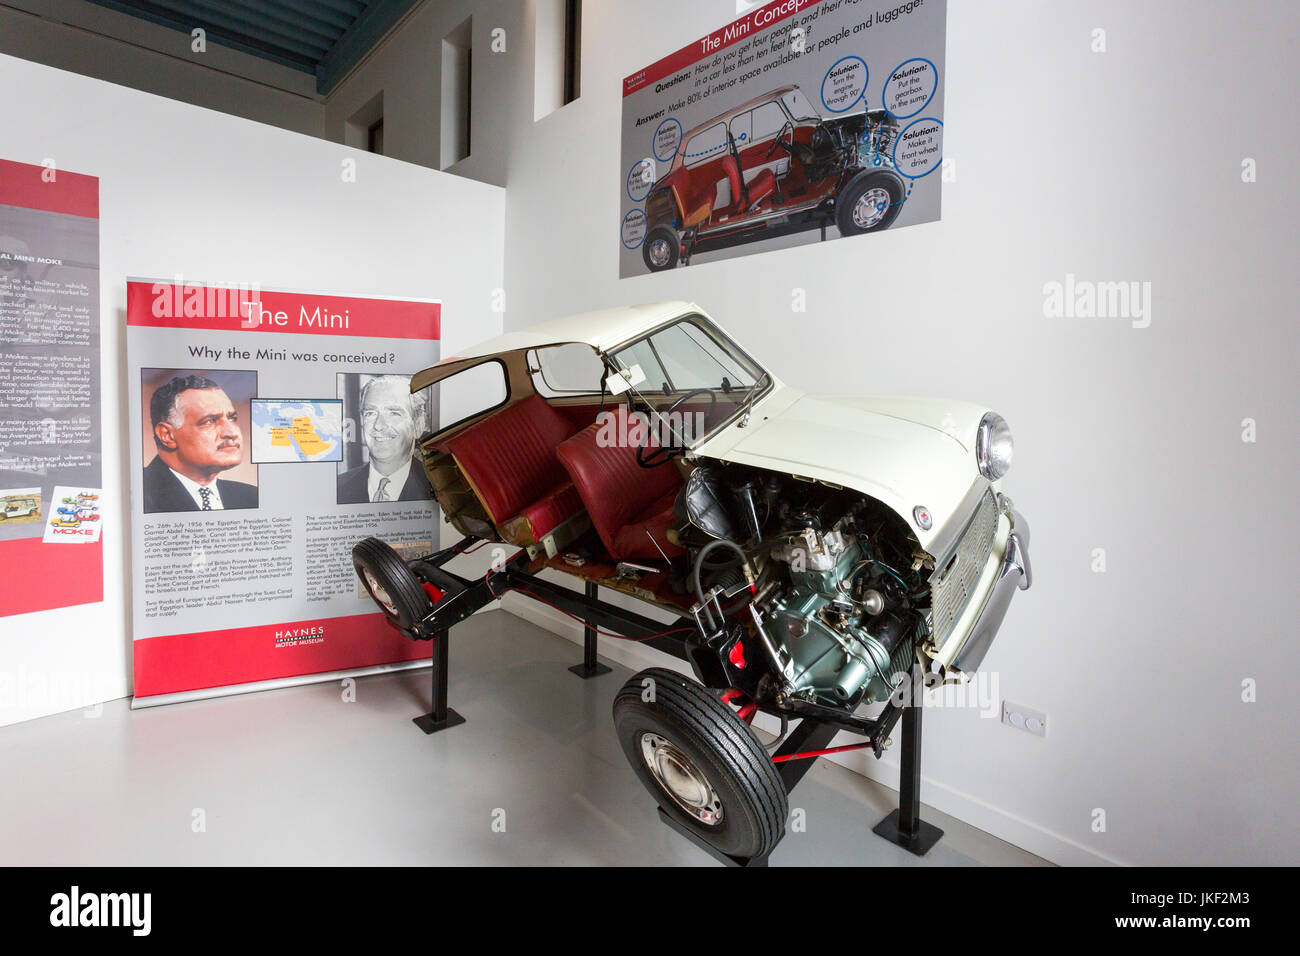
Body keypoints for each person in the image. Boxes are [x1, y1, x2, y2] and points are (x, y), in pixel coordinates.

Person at [142, 375, 258, 514]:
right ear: (167, 435)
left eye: (232, 418)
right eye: (210, 421)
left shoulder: (251, 496)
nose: (232, 432)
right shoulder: (138, 492)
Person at [336, 375, 433, 504]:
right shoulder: (338, 487)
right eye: (370, 413)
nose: (378, 425)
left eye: (393, 413)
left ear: (418, 425)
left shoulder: (438, 487)